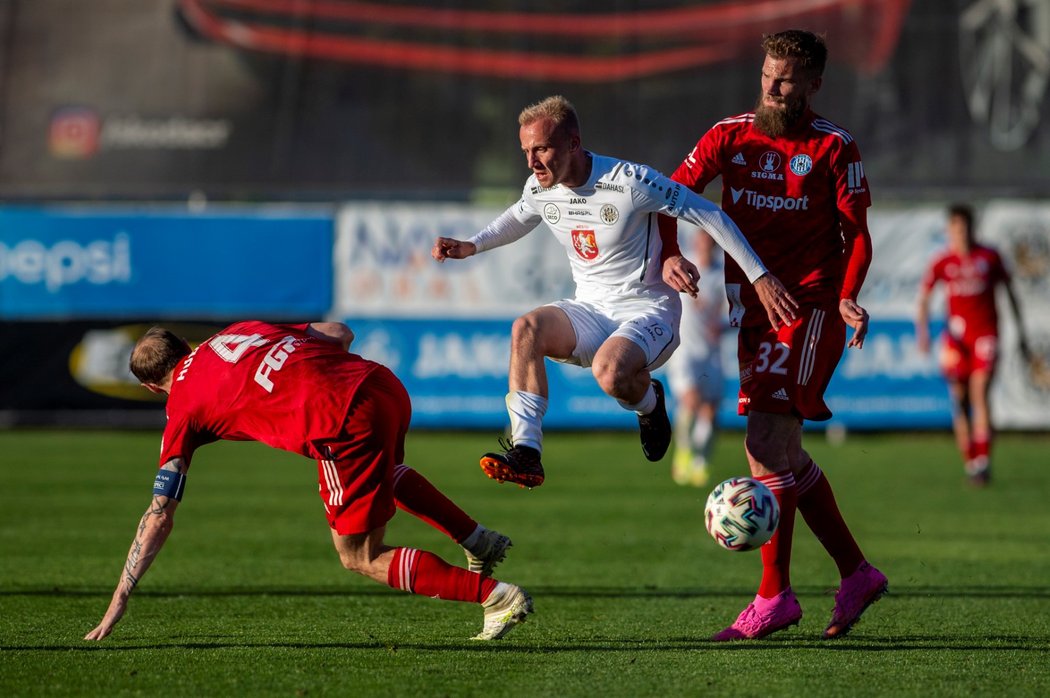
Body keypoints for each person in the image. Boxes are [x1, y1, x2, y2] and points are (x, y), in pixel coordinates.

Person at [431, 95, 797, 490]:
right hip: (589, 307)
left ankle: (649, 405)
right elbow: (520, 214)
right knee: (526, 329)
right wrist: (472, 245)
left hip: (648, 309)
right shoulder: (541, 186)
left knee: (610, 372)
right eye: (526, 151)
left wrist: (758, 275)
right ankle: (527, 452)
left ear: (573, 144)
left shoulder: (629, 181)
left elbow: (707, 213)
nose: (532, 161)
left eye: (541, 149)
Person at [85, 321, 532, 642]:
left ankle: (497, 597)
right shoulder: (238, 331)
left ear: (150, 387)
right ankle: (477, 540)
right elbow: (339, 332)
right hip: (381, 384)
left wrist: (121, 595)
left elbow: (160, 512)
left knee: (359, 555)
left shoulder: (181, 408)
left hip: (341, 422)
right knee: (386, 474)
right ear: (186, 343)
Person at [661, 29, 887, 640]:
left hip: (810, 307)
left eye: (786, 79)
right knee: (782, 455)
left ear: (813, 83)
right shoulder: (729, 135)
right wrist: (667, 255)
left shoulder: (834, 147)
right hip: (753, 308)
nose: (772, 87)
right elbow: (667, 197)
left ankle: (774, 596)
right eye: (766, 74)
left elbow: (858, 233)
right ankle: (856, 573)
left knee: (764, 443)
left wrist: (847, 295)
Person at [916, 203, 1030, 486]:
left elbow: (1010, 293)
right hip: (956, 340)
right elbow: (925, 299)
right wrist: (923, 333)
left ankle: (983, 462)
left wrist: (1021, 330)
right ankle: (971, 462)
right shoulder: (943, 262)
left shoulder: (989, 257)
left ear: (972, 228)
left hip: (986, 336)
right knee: (960, 398)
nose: (961, 233)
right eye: (955, 228)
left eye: (965, 227)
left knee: (980, 392)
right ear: (949, 230)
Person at [665, 227, 726, 488]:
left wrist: (722, 325)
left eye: (710, 240)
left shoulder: (722, 275)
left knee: (710, 412)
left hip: (711, 352)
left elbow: (733, 312)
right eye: (702, 239)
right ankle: (683, 453)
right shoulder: (681, 267)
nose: (705, 244)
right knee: (690, 401)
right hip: (684, 350)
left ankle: (701, 463)